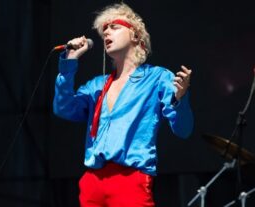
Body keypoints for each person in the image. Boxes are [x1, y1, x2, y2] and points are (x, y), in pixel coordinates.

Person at [53, 3, 193, 207]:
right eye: (104, 30)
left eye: (114, 26)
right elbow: (63, 108)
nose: (107, 32)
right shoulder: (96, 86)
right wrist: (69, 65)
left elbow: (183, 129)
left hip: (130, 180)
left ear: (135, 36)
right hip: (92, 182)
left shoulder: (157, 78)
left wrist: (180, 99)